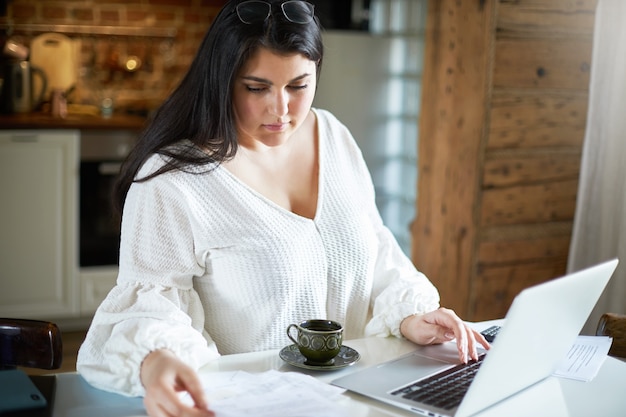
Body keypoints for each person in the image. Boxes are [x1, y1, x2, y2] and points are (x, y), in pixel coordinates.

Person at [76, 1, 490, 416]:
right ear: (222, 81)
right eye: (256, 88)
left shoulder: (333, 136)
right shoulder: (173, 181)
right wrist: (157, 359)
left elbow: (375, 253)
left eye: (298, 85)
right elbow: (149, 307)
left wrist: (411, 316)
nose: (281, 110)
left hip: (359, 400)